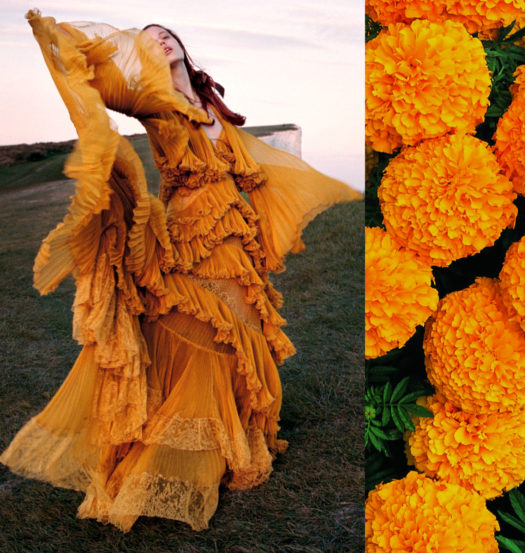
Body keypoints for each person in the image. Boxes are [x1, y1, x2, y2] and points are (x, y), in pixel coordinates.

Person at [0, 10, 361, 532]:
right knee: (197, 331)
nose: (162, 41)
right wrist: (63, 48)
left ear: (183, 46)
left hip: (232, 234)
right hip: (188, 235)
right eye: (150, 40)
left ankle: (218, 446)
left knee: (241, 332)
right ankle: (173, 457)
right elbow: (95, 87)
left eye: (168, 34)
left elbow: (248, 166)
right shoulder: (149, 100)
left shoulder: (208, 102)